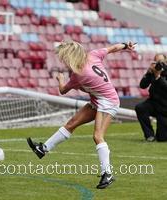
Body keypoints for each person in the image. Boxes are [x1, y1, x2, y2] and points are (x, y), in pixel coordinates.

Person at [27, 40, 136, 189]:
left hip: (108, 102)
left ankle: (107, 173)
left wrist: (61, 80)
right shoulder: (94, 54)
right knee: (71, 124)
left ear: (70, 56)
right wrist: (126, 46)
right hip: (98, 99)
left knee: (98, 136)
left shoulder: (79, 74)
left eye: (64, 57)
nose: (63, 60)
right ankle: (43, 148)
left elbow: (63, 90)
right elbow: (114, 48)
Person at [135, 54, 167, 142]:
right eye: (157, 62)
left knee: (162, 138)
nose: (159, 64)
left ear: (166, 62)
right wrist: (148, 73)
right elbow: (142, 86)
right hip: (154, 103)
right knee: (140, 107)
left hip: (165, 108)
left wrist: (158, 77)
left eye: (161, 62)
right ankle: (149, 135)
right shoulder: (153, 72)